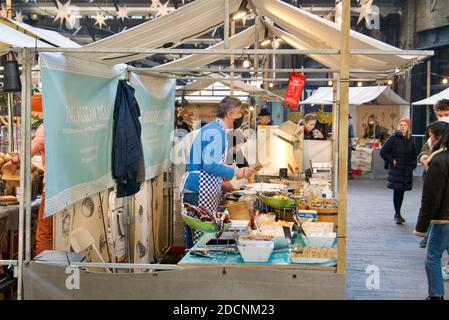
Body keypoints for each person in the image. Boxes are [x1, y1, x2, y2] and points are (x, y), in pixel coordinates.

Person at [180, 96, 256, 248]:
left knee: (194, 240)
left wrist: (221, 181)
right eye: (239, 114)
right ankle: (196, 269)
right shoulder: (216, 132)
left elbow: (207, 163)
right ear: (229, 114)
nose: (240, 118)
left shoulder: (214, 129)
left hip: (197, 188)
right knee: (200, 241)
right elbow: (209, 165)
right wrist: (238, 172)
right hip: (199, 190)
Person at [3, 95, 49, 256]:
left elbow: (32, 148)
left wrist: (15, 160)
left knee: (45, 232)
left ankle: (45, 270)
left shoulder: (46, 127)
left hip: (51, 189)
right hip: (67, 185)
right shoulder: (63, 124)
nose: (34, 116)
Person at [414, 123, 449, 300]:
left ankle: (436, 295)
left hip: (444, 218)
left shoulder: (438, 160)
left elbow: (430, 198)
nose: (429, 138)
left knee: (432, 258)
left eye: (430, 135)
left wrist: (421, 227)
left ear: (437, 137)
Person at [417, 99, 449, 248]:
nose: (443, 117)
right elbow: (425, 146)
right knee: (431, 201)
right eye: (440, 114)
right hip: (433, 172)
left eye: (446, 114)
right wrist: (423, 156)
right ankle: (428, 234)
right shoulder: (432, 129)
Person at [380, 118, 417, 224]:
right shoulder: (393, 137)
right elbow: (383, 152)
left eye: (405, 125)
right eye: (401, 124)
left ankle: (398, 213)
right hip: (397, 169)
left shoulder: (410, 139)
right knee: (397, 191)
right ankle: (397, 214)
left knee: (401, 192)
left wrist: (413, 164)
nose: (402, 127)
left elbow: (414, 153)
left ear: (408, 127)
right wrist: (392, 161)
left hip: (407, 169)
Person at [348, 114, 355, 180]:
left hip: (340, 144)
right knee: (348, 160)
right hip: (348, 144)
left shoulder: (339, 124)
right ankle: (349, 174)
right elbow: (352, 135)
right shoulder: (350, 125)